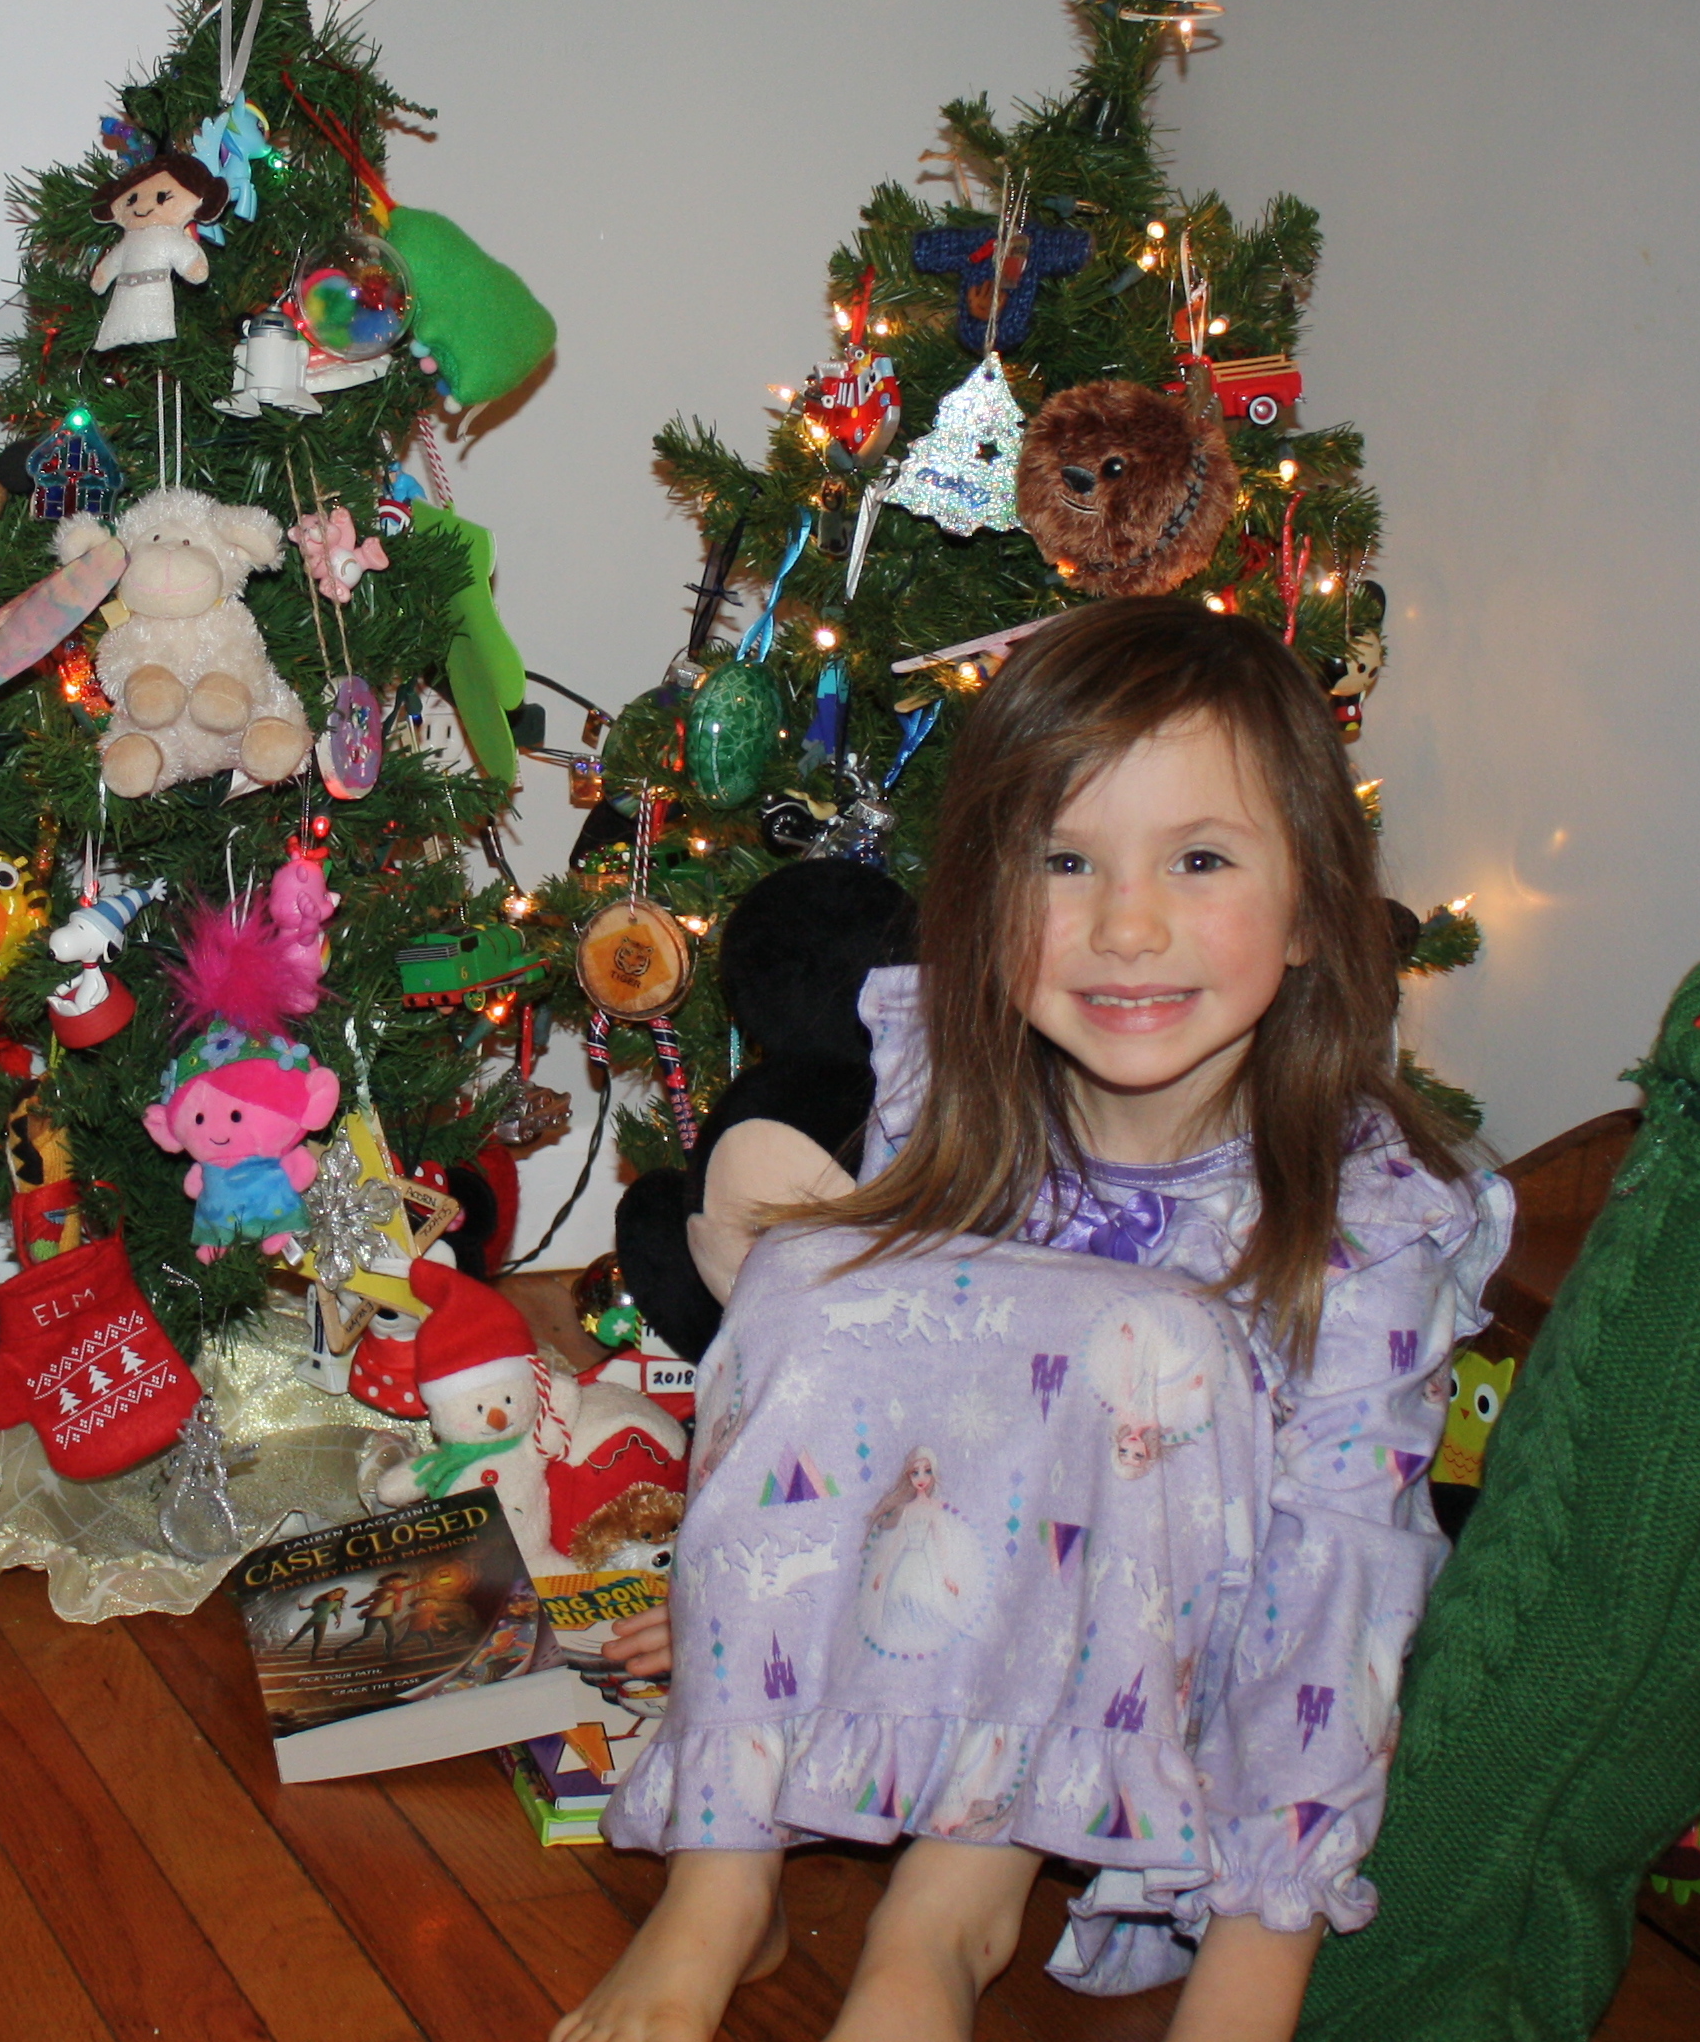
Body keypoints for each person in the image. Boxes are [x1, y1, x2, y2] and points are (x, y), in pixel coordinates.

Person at [557, 595, 1510, 2042]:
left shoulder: (1369, 1212)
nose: (1125, 925)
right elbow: (876, 1438)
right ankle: (725, 1880)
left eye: (1200, 859)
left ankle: (940, 1928)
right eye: (1065, 862)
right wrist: (746, 1619)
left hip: (1196, 1695)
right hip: (953, 1615)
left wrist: (1247, 1993)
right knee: (814, 1278)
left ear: (1316, 903)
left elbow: (1335, 1598)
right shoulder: (959, 1091)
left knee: (1148, 1346)